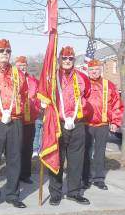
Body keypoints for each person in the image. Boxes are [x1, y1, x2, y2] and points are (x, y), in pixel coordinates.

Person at [0, 39, 27, 209]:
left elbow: (24, 97)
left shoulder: (18, 73)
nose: (4, 53)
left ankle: (12, 194)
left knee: (14, 159)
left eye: (8, 51)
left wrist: (15, 110)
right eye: (1, 50)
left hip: (14, 121)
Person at [48, 46, 91, 206]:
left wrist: (81, 112)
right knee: (56, 158)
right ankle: (55, 192)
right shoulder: (51, 77)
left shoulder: (82, 77)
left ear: (74, 60)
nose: (67, 61)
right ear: (59, 59)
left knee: (76, 159)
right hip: (58, 124)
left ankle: (74, 192)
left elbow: (87, 95)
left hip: (78, 124)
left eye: (70, 58)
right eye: (64, 58)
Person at [82, 59, 123, 190]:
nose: (94, 72)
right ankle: (85, 178)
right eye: (91, 70)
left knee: (100, 152)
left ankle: (99, 178)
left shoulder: (109, 85)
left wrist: (116, 122)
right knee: (85, 153)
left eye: (96, 70)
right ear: (88, 71)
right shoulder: (83, 84)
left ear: (101, 70)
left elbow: (117, 104)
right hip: (85, 124)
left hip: (102, 125)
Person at [15, 56, 40, 184]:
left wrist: (34, 107)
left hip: (29, 121)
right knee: (15, 149)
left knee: (27, 148)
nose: (21, 68)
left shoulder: (34, 81)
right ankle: (15, 174)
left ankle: (25, 174)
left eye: (23, 66)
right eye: (19, 66)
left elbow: (38, 98)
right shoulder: (12, 80)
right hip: (16, 121)